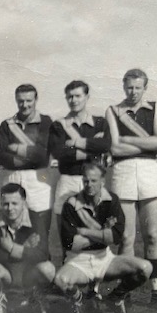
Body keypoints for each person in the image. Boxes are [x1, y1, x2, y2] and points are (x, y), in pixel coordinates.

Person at [54, 163, 152, 313]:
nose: (89, 185)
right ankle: (80, 300)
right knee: (60, 280)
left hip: (104, 258)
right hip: (78, 260)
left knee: (145, 268)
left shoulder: (112, 200)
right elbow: (70, 243)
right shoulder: (71, 204)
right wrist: (103, 232)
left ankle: (116, 298)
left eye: (94, 181)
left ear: (102, 181)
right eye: (86, 181)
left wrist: (84, 232)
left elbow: (116, 237)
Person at [105, 68, 157, 307]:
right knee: (126, 237)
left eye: (138, 88)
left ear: (145, 88)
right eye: (129, 87)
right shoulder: (113, 110)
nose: (133, 92)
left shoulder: (154, 108)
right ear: (124, 87)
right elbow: (114, 148)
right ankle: (124, 293)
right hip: (122, 172)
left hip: (148, 172)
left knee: (152, 235)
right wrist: (147, 144)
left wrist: (128, 140)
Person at [0, 183, 55, 313]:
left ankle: (34, 295)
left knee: (48, 269)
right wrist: (26, 248)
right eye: (6, 204)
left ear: (24, 203)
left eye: (15, 203)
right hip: (7, 272)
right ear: (1, 203)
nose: (10, 208)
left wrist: (11, 248)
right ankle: (0, 297)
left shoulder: (35, 218)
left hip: (28, 272)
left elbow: (43, 254)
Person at [49, 80, 110, 233]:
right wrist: (92, 149)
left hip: (93, 180)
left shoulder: (100, 122)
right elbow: (59, 152)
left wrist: (75, 143)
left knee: (96, 231)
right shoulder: (58, 125)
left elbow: (105, 145)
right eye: (70, 97)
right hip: (68, 180)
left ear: (87, 97)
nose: (73, 100)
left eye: (78, 96)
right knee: (66, 233)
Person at [0, 84, 53, 239]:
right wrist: (30, 156)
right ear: (16, 100)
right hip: (12, 178)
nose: (25, 105)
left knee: (40, 232)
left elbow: (43, 155)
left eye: (29, 100)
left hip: (38, 180)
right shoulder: (6, 124)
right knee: (13, 230)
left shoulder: (46, 122)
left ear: (36, 99)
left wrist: (15, 148)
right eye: (21, 101)